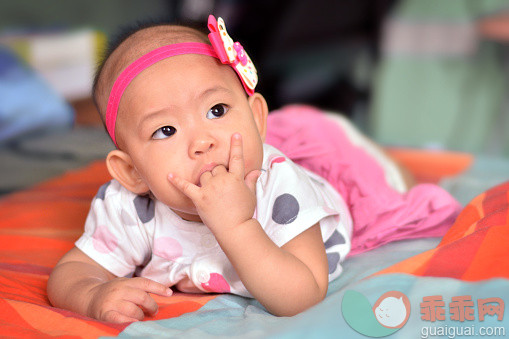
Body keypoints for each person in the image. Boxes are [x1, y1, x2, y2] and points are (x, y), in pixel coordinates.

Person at [47, 15, 460, 323]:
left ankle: (387, 157)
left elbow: (302, 293)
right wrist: (92, 297)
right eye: (166, 130)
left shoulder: (280, 186)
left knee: (374, 177)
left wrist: (237, 226)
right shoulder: (128, 207)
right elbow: (73, 272)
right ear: (132, 172)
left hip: (328, 183)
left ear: (256, 118)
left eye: (217, 109)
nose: (202, 141)